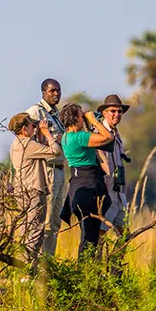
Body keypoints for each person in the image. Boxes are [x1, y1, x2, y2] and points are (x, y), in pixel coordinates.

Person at [58, 103, 114, 257]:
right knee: (90, 236)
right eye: (81, 116)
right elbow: (108, 137)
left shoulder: (66, 137)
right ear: (75, 118)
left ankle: (86, 271)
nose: (83, 118)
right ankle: (85, 272)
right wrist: (94, 121)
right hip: (88, 184)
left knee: (87, 233)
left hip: (77, 184)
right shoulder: (79, 137)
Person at [8, 112, 61, 267]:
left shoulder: (16, 143)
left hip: (22, 189)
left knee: (26, 229)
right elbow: (55, 151)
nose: (34, 128)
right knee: (36, 231)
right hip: (33, 190)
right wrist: (48, 134)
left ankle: (25, 265)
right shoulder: (28, 145)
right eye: (32, 126)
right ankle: (27, 267)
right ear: (24, 129)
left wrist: (39, 135)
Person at [26, 78, 67, 257]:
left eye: (58, 90)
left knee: (55, 222)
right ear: (43, 93)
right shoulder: (36, 112)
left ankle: (48, 264)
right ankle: (36, 265)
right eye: (52, 91)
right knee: (45, 222)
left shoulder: (57, 114)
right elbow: (24, 139)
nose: (56, 94)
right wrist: (48, 138)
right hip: (46, 171)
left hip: (59, 170)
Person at [95, 94, 131, 235]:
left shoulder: (117, 134)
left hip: (118, 193)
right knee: (100, 235)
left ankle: (112, 259)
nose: (117, 114)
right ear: (104, 113)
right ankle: (97, 258)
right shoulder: (98, 133)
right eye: (113, 111)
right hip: (105, 193)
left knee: (125, 236)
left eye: (119, 111)